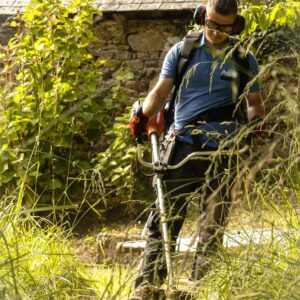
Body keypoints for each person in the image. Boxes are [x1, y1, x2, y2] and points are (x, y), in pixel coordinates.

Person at [129, 0, 265, 298]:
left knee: (212, 226)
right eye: (211, 24)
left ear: (235, 26)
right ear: (203, 17)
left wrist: (255, 126)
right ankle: (148, 286)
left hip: (223, 154)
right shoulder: (183, 52)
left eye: (223, 27)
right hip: (182, 148)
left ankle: (200, 287)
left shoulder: (244, 58)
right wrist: (142, 115)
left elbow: (254, 104)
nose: (215, 32)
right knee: (164, 218)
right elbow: (161, 92)